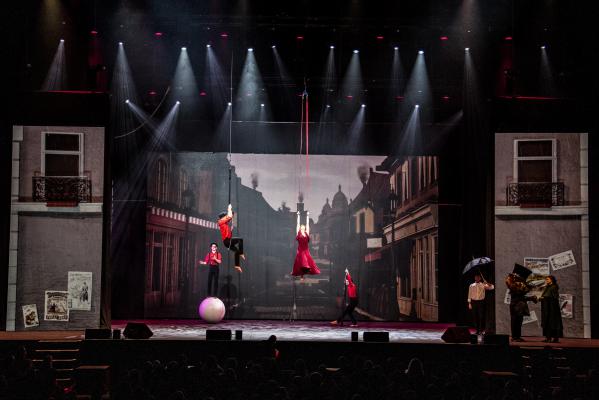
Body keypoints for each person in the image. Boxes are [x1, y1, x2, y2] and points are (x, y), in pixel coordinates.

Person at [505, 264, 537, 342]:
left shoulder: (517, 284)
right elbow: (520, 294)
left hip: (519, 305)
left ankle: (517, 336)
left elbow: (522, 295)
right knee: (515, 321)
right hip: (516, 305)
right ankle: (515, 337)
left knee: (519, 322)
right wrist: (530, 296)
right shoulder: (513, 284)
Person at [291, 211, 321, 279]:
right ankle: (301, 275)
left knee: (307, 261)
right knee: (302, 261)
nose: (302, 229)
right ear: (300, 229)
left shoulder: (306, 233)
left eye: (303, 228)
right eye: (301, 228)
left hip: (306, 249)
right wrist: (298, 216)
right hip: (300, 250)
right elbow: (298, 224)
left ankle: (303, 274)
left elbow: (307, 225)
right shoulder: (298, 233)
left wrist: (307, 216)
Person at [217, 203, 245, 272]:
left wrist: (232, 212)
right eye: (225, 216)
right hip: (227, 241)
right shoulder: (220, 222)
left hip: (227, 241)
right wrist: (229, 208)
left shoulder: (224, 224)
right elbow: (229, 216)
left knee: (236, 252)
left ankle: (237, 265)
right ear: (223, 217)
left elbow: (232, 215)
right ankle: (241, 253)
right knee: (240, 240)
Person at [539, 275, 563, 343]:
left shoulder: (554, 287)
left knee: (553, 323)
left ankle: (554, 338)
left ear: (552, 280)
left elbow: (555, 297)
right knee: (548, 323)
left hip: (552, 308)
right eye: (546, 279)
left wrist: (545, 298)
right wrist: (542, 298)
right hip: (547, 308)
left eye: (548, 279)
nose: (546, 280)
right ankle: (548, 338)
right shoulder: (547, 287)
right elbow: (545, 295)